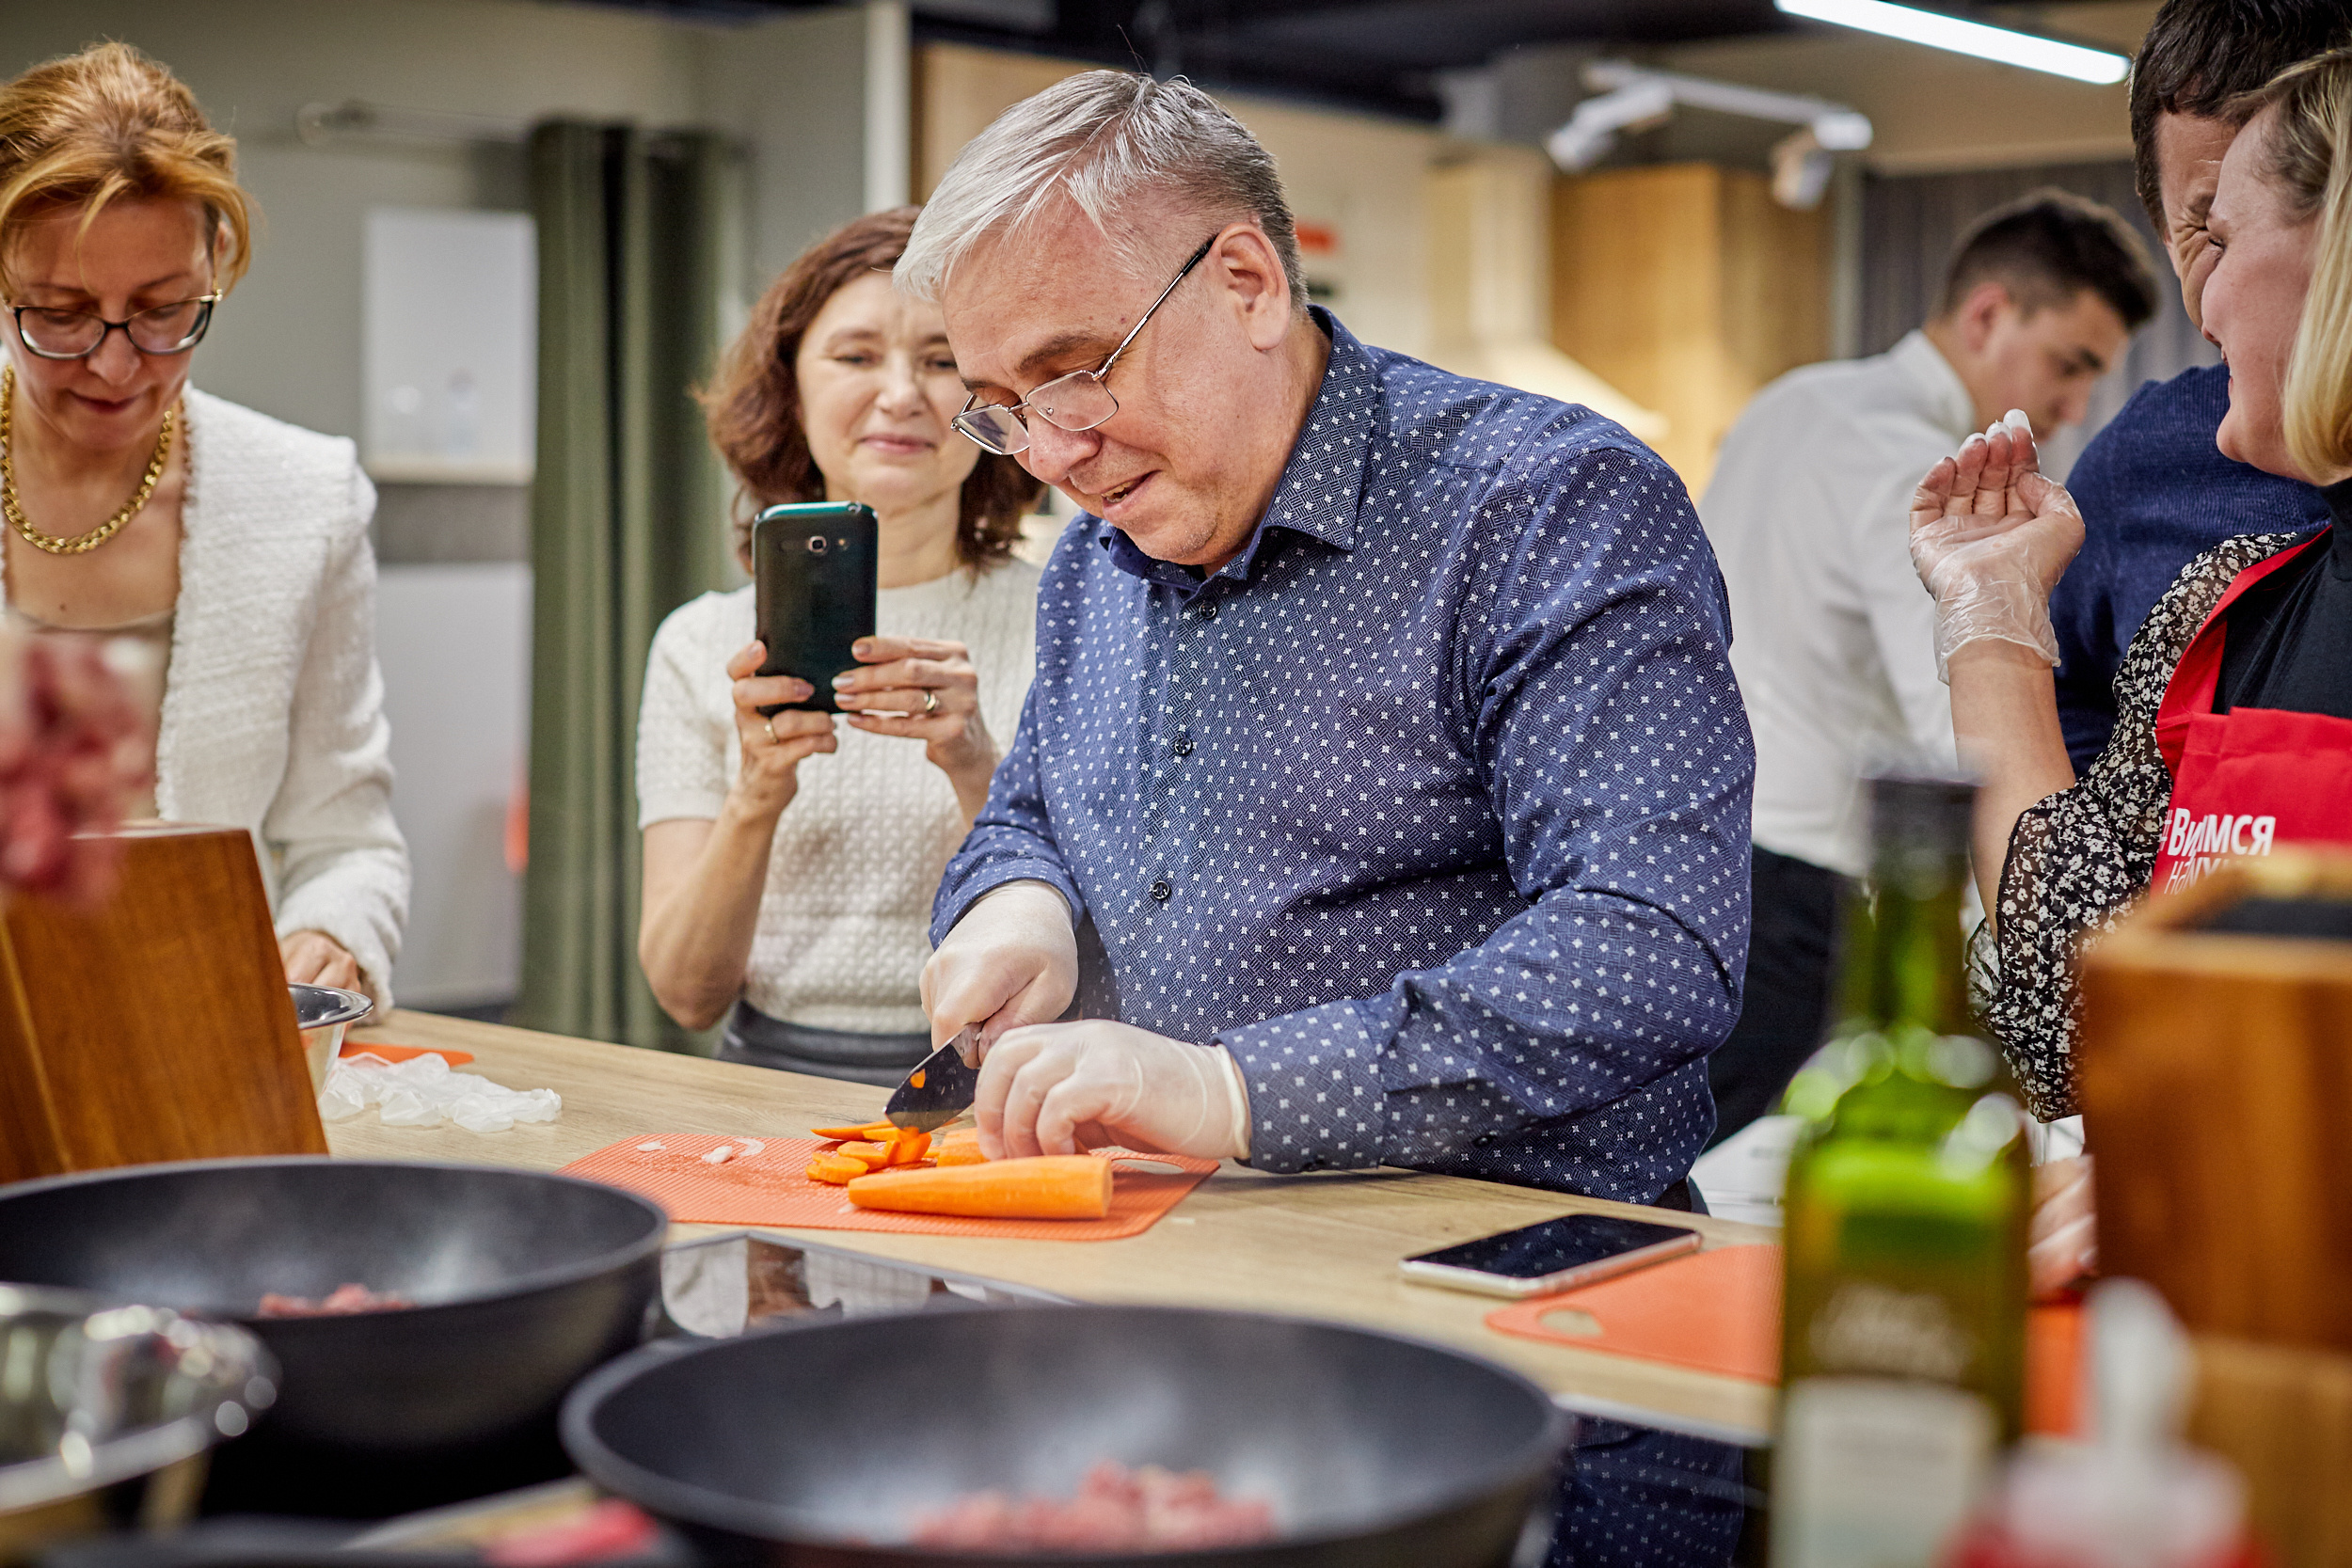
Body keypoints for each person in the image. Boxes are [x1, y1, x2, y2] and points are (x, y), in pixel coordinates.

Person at [902, 70, 1755, 1566]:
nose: (1048, 451)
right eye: (1002, 406)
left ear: (1243, 279)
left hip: (1521, 1349)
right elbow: (1032, 805)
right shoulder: (1099, 555)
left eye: (1073, 371)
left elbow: (1651, 945)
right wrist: (1017, 901)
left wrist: (1235, 1088)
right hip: (1177, 1317)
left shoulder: (1544, 505)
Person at [1911, 47, 2352, 1291]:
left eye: (2222, 238)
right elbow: (2077, 1011)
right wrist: (1994, 614)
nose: (2198, 308)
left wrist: (2252, 1162)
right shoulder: (2233, 598)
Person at [1695, 193, 2156, 1144]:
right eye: (2070, 364)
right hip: (1801, 897)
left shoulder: (1790, 398)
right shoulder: (1913, 462)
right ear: (1988, 314)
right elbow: (1954, 732)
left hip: (1705, 853)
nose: (2077, 406)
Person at [0, 42, 406, 1001]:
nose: (115, 366)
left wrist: (330, 933)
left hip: (193, 1022)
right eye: (59, 313)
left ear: (216, 263)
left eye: (163, 310)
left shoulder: (307, 498)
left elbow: (347, 840)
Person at [635, 207, 1042, 1084]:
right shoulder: (696, 643)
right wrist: (757, 793)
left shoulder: (1070, 620)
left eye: (941, 361)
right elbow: (686, 994)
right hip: (760, 1083)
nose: (901, 394)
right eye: (856, 357)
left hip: (997, 1079)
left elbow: (1111, 946)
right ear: (790, 389)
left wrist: (977, 764)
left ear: (993, 397)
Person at [2049, 0, 2351, 773]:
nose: (2220, 295)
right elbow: (2069, 703)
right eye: (2208, 233)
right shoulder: (2142, 464)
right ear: (2163, 231)